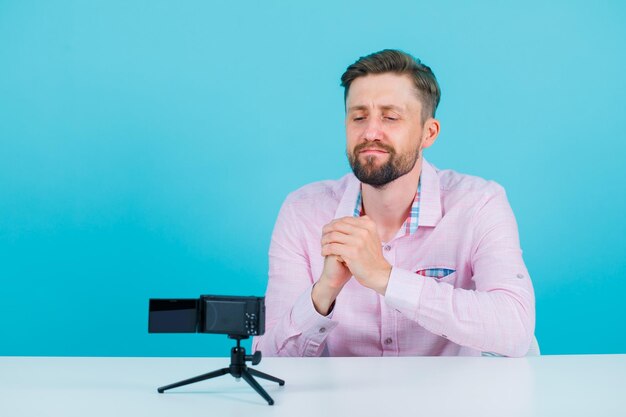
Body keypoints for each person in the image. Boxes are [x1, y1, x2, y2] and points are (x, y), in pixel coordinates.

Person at [252, 49, 535, 357]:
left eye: (390, 117)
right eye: (358, 117)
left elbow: (515, 329)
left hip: (452, 402)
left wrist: (385, 278)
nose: (370, 132)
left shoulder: (479, 204)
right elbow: (268, 360)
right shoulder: (302, 212)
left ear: (429, 133)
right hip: (342, 404)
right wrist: (324, 292)